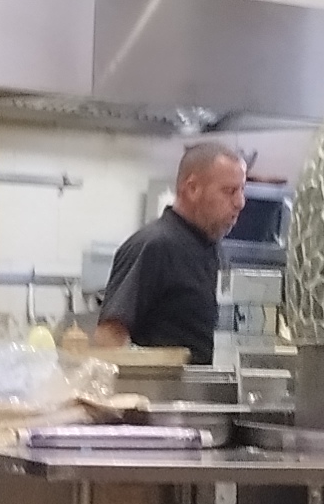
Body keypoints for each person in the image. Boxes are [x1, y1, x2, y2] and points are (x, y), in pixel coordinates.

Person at [98, 137, 247, 364]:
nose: (240, 202)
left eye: (242, 190)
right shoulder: (155, 246)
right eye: (229, 191)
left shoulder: (213, 250)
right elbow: (109, 338)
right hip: (162, 386)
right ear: (192, 188)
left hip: (205, 385)